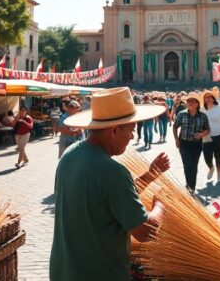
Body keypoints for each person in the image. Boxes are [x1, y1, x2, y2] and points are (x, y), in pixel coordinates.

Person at [50, 87, 169, 281]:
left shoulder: (70, 155)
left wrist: (150, 174)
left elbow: (108, 197)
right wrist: (161, 204)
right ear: (114, 131)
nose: (132, 137)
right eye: (131, 131)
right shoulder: (113, 171)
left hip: (64, 272)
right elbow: (145, 231)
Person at [172, 92, 210, 193]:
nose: (190, 103)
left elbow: (207, 130)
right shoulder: (182, 114)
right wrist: (176, 139)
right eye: (189, 101)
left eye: (193, 101)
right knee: (188, 164)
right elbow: (175, 126)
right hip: (184, 143)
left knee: (194, 166)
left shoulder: (203, 116)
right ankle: (191, 187)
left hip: (197, 144)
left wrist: (201, 134)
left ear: (197, 103)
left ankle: (189, 184)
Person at [202, 88, 220, 182]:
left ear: (213, 98)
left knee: (218, 156)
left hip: (218, 135)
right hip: (206, 136)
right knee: (207, 156)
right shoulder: (202, 109)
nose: (208, 99)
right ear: (204, 99)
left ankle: (219, 174)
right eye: (206, 97)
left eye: (209, 97)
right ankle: (211, 168)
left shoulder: (218, 108)